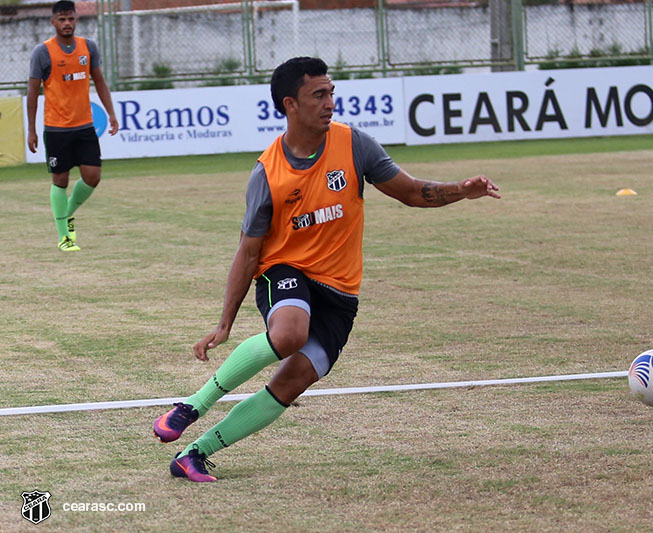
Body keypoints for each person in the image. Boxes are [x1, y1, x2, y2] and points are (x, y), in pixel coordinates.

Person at [153, 56, 501, 482]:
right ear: (290, 104)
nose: (330, 102)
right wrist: (225, 323)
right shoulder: (268, 172)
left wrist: (460, 191)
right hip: (287, 272)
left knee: (293, 380)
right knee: (289, 334)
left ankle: (194, 454)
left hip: (341, 294)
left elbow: (411, 192)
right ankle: (192, 405)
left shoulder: (354, 144)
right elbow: (248, 252)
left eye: (331, 92)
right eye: (318, 94)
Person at [27, 0, 119, 252]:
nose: (67, 23)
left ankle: (66, 214)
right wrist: (32, 129)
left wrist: (111, 113)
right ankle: (64, 237)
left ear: (76, 20)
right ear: (53, 22)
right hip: (56, 128)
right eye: (62, 19)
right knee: (60, 180)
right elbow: (33, 92)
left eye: (71, 19)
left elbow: (99, 81)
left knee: (93, 176)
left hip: (84, 126)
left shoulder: (87, 47)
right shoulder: (42, 52)